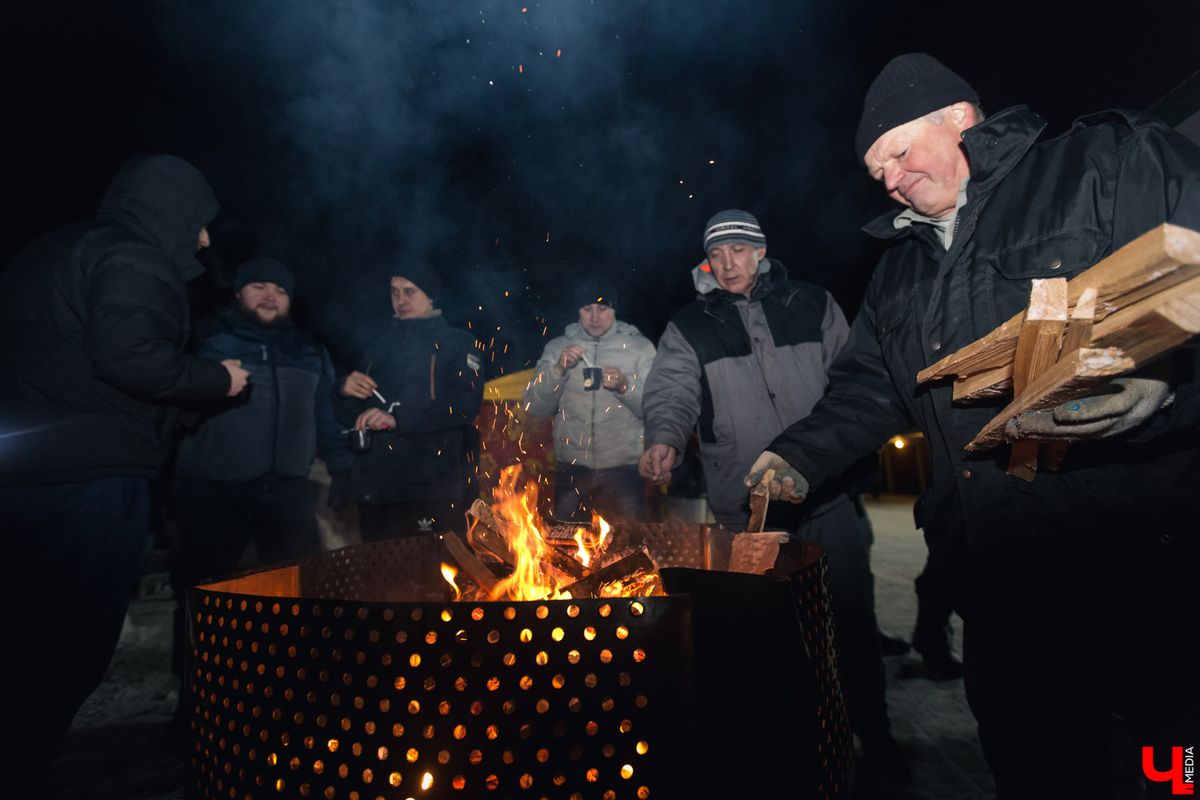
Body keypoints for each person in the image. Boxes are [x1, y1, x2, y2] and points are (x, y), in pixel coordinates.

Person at [747, 53, 1200, 796]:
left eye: (897, 151)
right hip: (1005, 599)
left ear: (960, 115)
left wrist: (1170, 383)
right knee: (1035, 773)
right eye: (876, 173)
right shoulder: (899, 272)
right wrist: (793, 454)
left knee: (1171, 776)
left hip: (1140, 587)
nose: (890, 179)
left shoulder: (1106, 163)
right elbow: (866, 391)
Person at [0, 154, 248, 781]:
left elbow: (75, 362)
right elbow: (130, 359)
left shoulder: (49, 250)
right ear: (170, 210)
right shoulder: (135, 258)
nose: (204, 239)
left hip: (23, 470)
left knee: (21, 634)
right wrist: (219, 380)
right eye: (198, 222)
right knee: (68, 646)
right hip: (89, 478)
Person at [639, 209, 899, 765]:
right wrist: (663, 436)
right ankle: (795, 743)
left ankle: (874, 735)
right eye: (718, 254)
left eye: (739, 250)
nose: (729, 264)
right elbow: (671, 390)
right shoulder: (690, 323)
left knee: (850, 615)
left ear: (761, 250)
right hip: (747, 501)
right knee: (770, 625)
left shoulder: (812, 303)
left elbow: (853, 381)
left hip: (823, 489)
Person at [169, 256, 340, 713]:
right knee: (206, 601)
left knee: (295, 601)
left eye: (280, 290)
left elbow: (327, 423)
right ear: (239, 293)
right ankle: (197, 707)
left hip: (286, 491)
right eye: (259, 286)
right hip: (212, 491)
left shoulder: (310, 351)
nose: (269, 296)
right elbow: (172, 407)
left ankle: (292, 702)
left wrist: (345, 467)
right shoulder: (206, 343)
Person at [334, 262, 484, 539]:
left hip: (432, 486)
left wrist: (399, 419)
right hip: (377, 489)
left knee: (433, 576)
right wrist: (343, 391)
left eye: (409, 292)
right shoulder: (378, 348)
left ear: (430, 296)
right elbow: (351, 414)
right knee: (379, 575)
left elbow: (465, 404)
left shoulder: (458, 343)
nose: (400, 300)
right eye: (394, 293)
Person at [523, 274, 656, 522]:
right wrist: (558, 371)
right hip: (572, 469)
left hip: (624, 470)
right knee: (565, 551)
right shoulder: (557, 348)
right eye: (587, 309)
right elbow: (534, 406)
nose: (595, 317)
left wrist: (624, 386)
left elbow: (653, 409)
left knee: (626, 550)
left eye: (603, 308)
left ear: (614, 309)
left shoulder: (640, 348)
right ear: (578, 311)